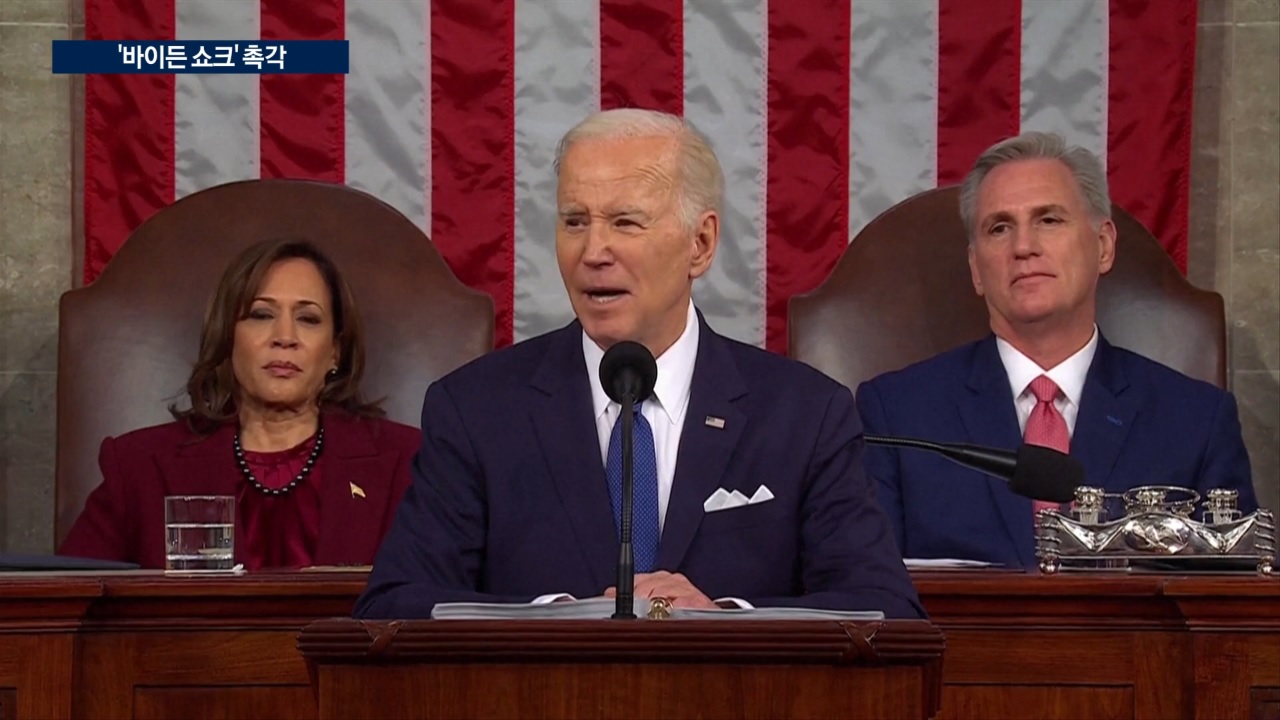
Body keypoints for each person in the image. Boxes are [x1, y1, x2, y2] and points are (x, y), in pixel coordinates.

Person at [355, 108, 924, 619]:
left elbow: (885, 608)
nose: (593, 251)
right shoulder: (477, 408)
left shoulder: (804, 413)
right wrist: (559, 617)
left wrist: (723, 615)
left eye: (625, 222)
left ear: (699, 245)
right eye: (575, 221)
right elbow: (395, 602)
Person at [856, 131, 1258, 569]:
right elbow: (873, 598)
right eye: (999, 227)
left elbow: (1231, 608)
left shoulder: (1196, 420)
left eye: (1049, 220)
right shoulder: (896, 415)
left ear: (1103, 246)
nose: (1024, 247)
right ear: (976, 268)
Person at [59, 239, 421, 570]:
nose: (284, 338)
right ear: (228, 337)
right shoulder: (139, 468)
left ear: (335, 352)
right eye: (261, 315)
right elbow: (71, 609)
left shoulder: (408, 464)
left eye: (308, 319)